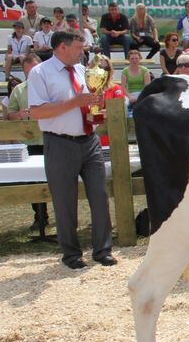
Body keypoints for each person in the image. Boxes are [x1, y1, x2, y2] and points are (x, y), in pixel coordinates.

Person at [27, 30, 116, 269]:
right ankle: (72, 255)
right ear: (62, 47)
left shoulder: (82, 70)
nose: (82, 53)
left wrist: (96, 110)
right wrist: (74, 103)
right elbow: (36, 111)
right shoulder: (40, 72)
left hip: (89, 139)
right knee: (65, 201)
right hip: (59, 142)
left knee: (100, 196)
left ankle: (103, 250)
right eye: (79, 48)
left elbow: (86, 102)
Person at [7, 54, 48, 229]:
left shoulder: (49, 87)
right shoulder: (19, 90)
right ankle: (39, 215)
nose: (31, 73)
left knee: (55, 179)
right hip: (29, 142)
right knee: (33, 181)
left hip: (50, 138)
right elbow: (10, 114)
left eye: (34, 69)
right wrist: (21, 115)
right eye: (27, 70)